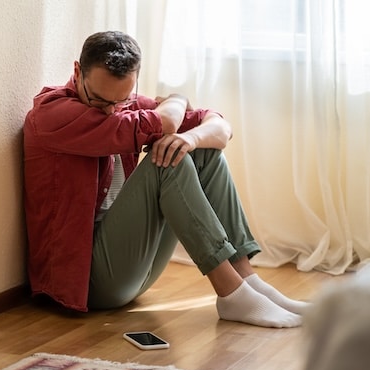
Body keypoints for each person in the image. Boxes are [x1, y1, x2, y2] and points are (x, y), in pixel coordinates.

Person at [23, 31, 309, 328]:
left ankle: (248, 281)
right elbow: (169, 120)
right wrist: (178, 99)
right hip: (86, 282)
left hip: (133, 269)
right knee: (168, 161)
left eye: (120, 102)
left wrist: (193, 136)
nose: (110, 111)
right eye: (98, 99)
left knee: (201, 152)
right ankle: (232, 294)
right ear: (77, 72)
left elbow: (220, 128)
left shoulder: (129, 105)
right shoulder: (52, 114)